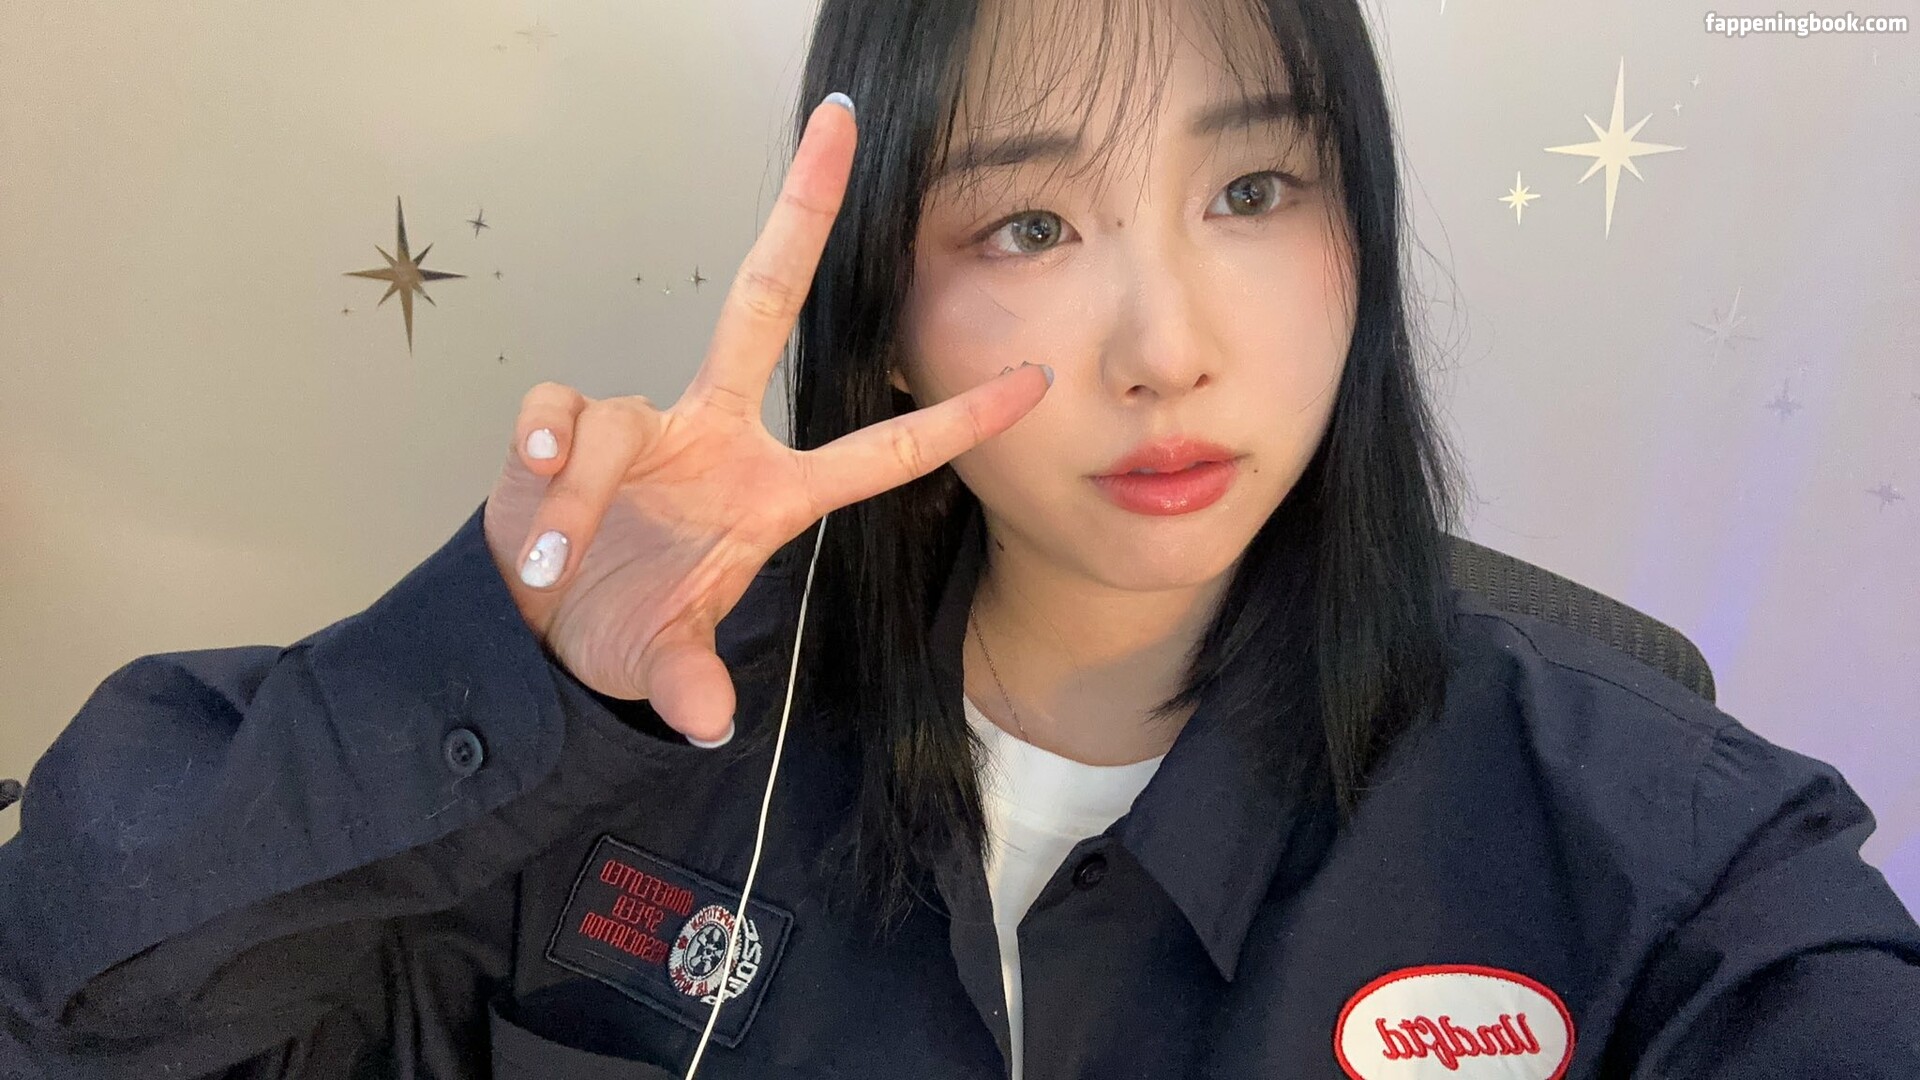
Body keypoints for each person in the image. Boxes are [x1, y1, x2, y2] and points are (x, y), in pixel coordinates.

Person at [4, 0, 1918, 1076]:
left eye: (1255, 188)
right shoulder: (638, 760)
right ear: (887, 314)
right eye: (1031, 227)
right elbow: (66, 1014)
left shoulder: (1655, 842)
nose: (1168, 349)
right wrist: (503, 675)